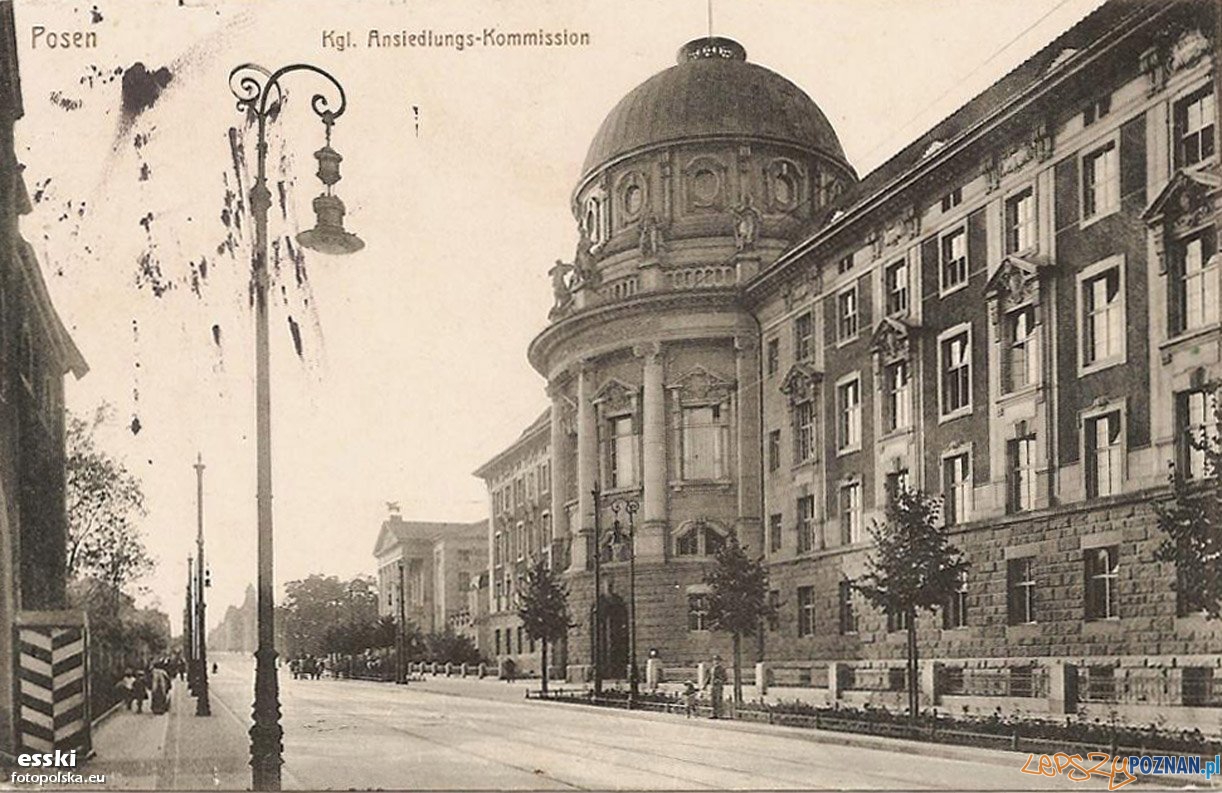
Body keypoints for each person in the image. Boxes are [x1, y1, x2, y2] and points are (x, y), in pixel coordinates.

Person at [708, 655, 727, 719]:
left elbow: (725, 678)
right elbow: (709, 677)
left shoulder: (722, 669)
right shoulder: (712, 668)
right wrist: (705, 685)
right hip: (712, 686)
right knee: (713, 700)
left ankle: (720, 714)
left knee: (718, 700)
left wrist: (719, 681)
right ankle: (713, 714)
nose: (716, 662)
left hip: (718, 686)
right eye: (714, 660)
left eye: (717, 660)